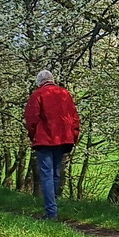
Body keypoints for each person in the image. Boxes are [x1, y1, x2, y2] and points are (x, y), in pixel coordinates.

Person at [23, 69, 79, 220]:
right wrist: (73, 136)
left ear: (39, 82)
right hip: (63, 139)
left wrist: (33, 136)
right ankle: (52, 207)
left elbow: (31, 119)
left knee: (47, 175)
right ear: (52, 79)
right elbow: (74, 117)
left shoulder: (37, 95)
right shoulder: (65, 94)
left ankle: (51, 212)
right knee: (55, 173)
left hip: (45, 139)